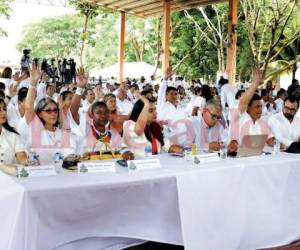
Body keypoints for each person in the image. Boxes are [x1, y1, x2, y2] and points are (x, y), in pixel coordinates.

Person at [19, 62, 76, 165]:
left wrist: (73, 157)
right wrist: (32, 83)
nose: (53, 113)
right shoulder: (35, 126)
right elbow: (28, 108)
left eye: (55, 110)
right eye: (48, 111)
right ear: (39, 114)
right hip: (37, 176)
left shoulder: (61, 132)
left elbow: (69, 154)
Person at [70, 67, 132, 159]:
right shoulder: (86, 127)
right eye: (99, 112)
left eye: (105, 112)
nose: (103, 115)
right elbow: (73, 111)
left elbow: (120, 148)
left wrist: (127, 153)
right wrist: (80, 88)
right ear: (92, 116)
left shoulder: (112, 132)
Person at [228, 69, 274, 152]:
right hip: (236, 160)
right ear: (248, 108)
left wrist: (278, 144)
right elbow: (243, 101)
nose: (260, 110)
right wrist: (255, 83)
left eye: (261, 107)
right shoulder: (238, 117)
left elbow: (270, 139)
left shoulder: (262, 122)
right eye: (257, 107)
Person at [0, 98, 27, 165]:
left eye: (4, 109)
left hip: (9, 175)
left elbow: (22, 158)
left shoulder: (13, 134)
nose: (3, 112)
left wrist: (30, 161)